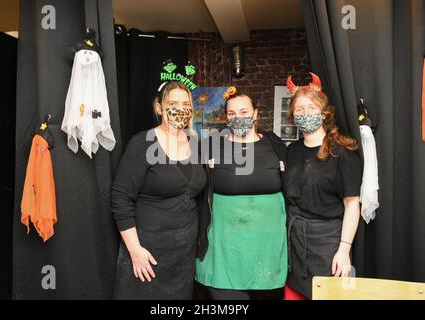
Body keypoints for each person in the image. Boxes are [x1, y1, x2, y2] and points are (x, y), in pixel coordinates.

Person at [111, 81, 207, 299]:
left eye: (186, 104)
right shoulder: (142, 143)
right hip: (147, 251)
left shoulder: (196, 144)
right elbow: (121, 198)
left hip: (183, 253)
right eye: (173, 103)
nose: (180, 109)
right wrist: (135, 250)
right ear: (159, 108)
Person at [195, 87, 288, 300]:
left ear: (255, 113)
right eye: (232, 113)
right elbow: (192, 185)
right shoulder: (211, 146)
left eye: (244, 112)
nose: (239, 118)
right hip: (224, 247)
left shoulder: (275, 145)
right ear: (226, 117)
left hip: (267, 249)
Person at [283, 73, 362, 300]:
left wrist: (344, 250)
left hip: (328, 242)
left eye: (311, 107)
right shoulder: (292, 151)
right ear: (292, 115)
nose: (305, 113)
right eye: (299, 110)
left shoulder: (342, 153)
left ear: (324, 112)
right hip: (294, 237)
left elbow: (352, 205)